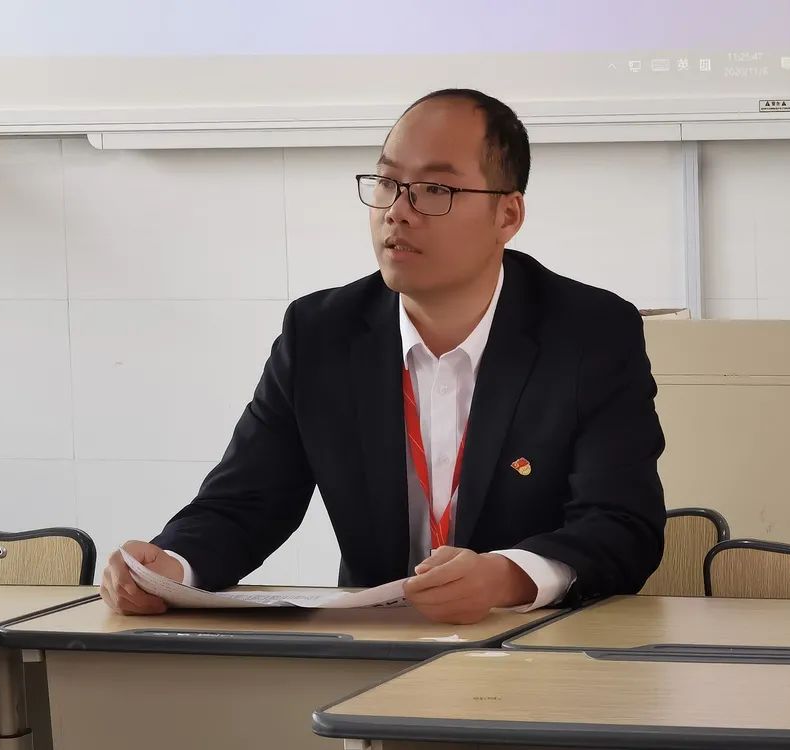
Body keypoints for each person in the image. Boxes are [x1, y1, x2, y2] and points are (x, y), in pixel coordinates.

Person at [100, 88, 666, 625]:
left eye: (435, 190)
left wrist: (507, 577)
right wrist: (171, 568)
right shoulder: (320, 333)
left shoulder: (588, 333)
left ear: (508, 216)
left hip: (536, 644)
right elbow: (247, 502)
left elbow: (621, 524)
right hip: (374, 646)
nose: (398, 211)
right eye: (388, 183)